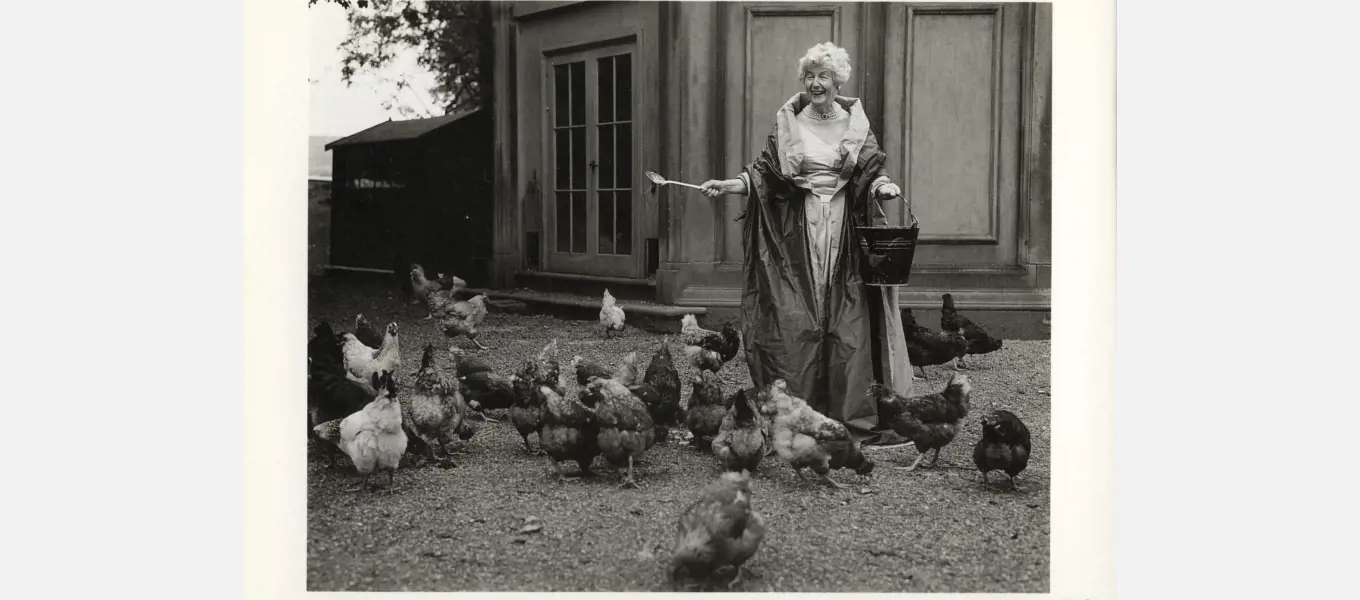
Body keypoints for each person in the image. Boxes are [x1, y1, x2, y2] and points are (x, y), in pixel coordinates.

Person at [700, 41, 914, 444]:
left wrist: (884, 187)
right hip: (797, 230)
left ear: (837, 81)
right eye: (810, 76)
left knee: (846, 318)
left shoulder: (856, 125)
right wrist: (729, 185)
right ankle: (799, 407)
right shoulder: (790, 123)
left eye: (824, 76)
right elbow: (765, 173)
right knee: (797, 314)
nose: (816, 84)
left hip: (843, 229)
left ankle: (848, 411)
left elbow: (871, 172)